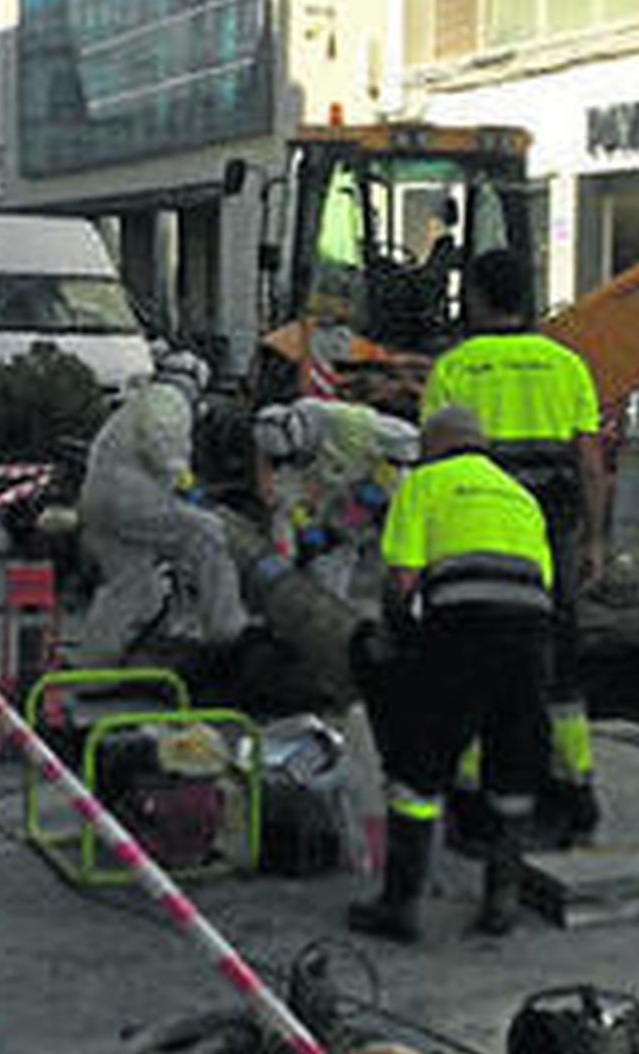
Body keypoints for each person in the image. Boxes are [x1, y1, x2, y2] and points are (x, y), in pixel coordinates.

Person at [419, 248, 606, 842]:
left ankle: (472, 798)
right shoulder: (567, 364)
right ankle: (575, 787)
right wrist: (596, 538)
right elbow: (591, 462)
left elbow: (431, 463)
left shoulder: (455, 367)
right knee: (559, 666)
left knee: (469, 664)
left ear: (475, 296)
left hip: (472, 532)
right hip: (550, 534)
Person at [348, 407, 554, 942]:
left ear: (432, 447)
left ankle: (400, 905)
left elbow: (402, 579)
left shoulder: (424, 483)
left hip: (462, 633)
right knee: (513, 764)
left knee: (418, 768)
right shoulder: (521, 496)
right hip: (531, 638)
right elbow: (542, 585)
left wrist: (394, 640)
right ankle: (501, 901)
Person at [75, 350, 249, 666]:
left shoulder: (139, 401)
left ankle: (94, 663)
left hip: (98, 500)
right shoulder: (170, 399)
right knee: (207, 532)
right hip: (129, 498)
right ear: (196, 382)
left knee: (131, 584)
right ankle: (228, 631)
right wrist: (184, 482)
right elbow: (160, 441)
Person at [251, 397, 417, 599]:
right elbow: (285, 507)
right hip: (339, 499)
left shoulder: (348, 423)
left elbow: (411, 443)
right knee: (328, 556)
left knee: (404, 559)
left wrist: (380, 483)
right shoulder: (281, 459)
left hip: (385, 487)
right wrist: (287, 551)